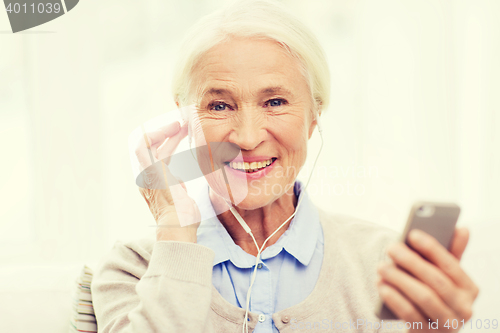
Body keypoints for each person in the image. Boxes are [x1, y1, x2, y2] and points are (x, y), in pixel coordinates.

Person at [91, 1, 478, 332]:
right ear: (184, 119)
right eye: (220, 105)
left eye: (275, 102)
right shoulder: (134, 271)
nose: (246, 137)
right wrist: (175, 230)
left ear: (314, 115)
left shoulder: (383, 266)